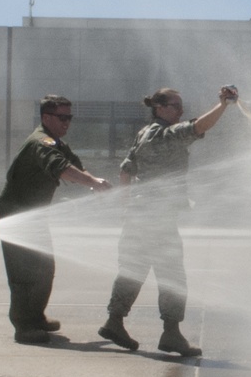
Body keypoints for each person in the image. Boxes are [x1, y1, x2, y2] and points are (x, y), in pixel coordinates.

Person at [97, 86, 239, 357]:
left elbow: (125, 170)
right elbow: (197, 127)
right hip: (157, 217)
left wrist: (127, 209)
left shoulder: (144, 132)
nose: (180, 111)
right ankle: (171, 334)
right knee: (172, 275)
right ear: (159, 108)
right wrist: (222, 105)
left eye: (181, 106)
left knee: (133, 269)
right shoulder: (163, 135)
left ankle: (114, 322)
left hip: (139, 215)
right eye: (175, 106)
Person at [0, 94, 112, 344]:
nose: (67, 122)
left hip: (34, 216)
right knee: (23, 271)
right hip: (17, 214)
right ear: (46, 117)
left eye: (69, 117)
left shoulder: (57, 142)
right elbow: (61, 168)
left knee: (44, 268)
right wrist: (92, 183)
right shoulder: (42, 142)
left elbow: (75, 166)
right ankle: (24, 327)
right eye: (62, 117)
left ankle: (36, 316)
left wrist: (94, 184)